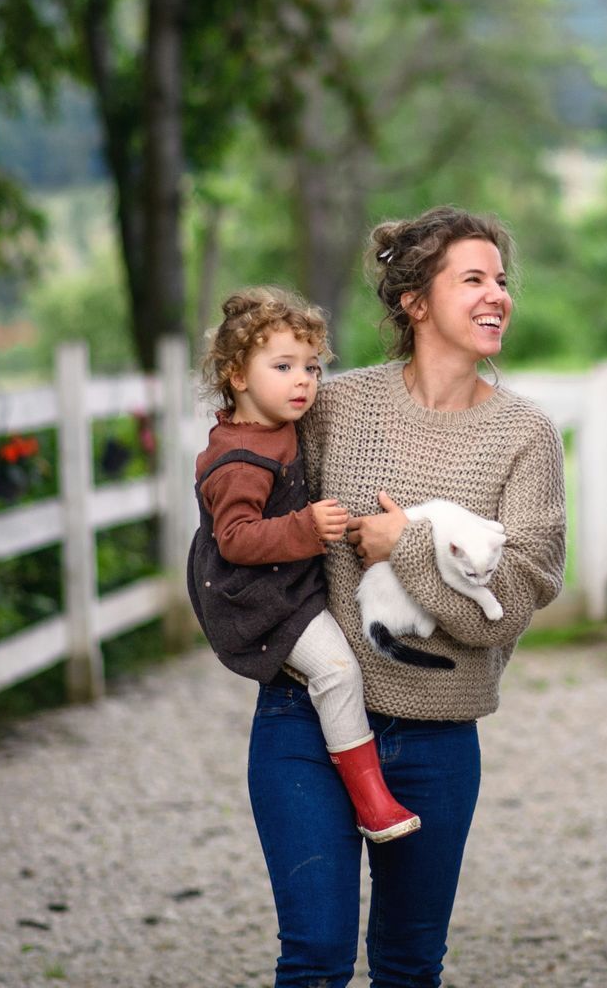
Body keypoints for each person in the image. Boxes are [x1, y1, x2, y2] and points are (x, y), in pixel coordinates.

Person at [246, 206, 567, 988]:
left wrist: (409, 550)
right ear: (415, 302)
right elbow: (244, 506)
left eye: (501, 280)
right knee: (315, 957)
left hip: (440, 735)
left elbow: (520, 595)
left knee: (408, 964)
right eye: (473, 280)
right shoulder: (331, 408)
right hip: (307, 721)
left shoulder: (526, 435)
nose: (498, 295)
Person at [188, 287, 420, 843]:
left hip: (285, 583)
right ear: (238, 377)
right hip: (260, 599)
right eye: (284, 366)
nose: (304, 382)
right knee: (337, 672)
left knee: (335, 669)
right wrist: (306, 528)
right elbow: (236, 539)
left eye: (313, 368)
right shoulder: (239, 461)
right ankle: (372, 803)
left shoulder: (274, 426)